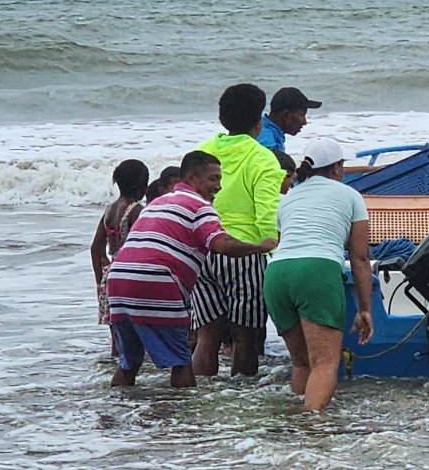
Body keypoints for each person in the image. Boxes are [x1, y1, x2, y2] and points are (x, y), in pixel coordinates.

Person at [106, 151, 276, 387]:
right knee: (181, 362)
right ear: (193, 178)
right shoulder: (199, 206)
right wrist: (260, 246)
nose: (219, 186)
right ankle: (184, 419)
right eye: (213, 179)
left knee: (128, 363)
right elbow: (221, 244)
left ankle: (117, 414)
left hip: (118, 280)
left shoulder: (156, 202)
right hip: (156, 280)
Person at [264, 138, 373, 410]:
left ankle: (296, 428)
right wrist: (365, 309)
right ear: (336, 168)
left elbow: (284, 241)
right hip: (317, 271)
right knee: (325, 363)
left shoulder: (288, 200)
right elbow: (360, 258)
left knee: (302, 363)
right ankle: (312, 433)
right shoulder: (350, 196)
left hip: (277, 274)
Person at [191, 83, 286, 377]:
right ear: (259, 123)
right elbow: (268, 213)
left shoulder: (202, 151)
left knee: (208, 335)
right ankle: (240, 397)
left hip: (202, 250)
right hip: (245, 254)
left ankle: (201, 395)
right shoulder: (262, 158)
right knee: (245, 337)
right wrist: (275, 248)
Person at [90, 159, 148, 340]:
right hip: (132, 274)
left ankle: (116, 364)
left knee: (117, 335)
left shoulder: (109, 211)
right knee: (138, 334)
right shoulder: (137, 210)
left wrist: (100, 282)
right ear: (141, 185)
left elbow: (95, 248)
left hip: (111, 275)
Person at [256, 86, 322, 152]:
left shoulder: (264, 129)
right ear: (287, 116)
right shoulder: (266, 141)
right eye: (302, 115)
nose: (305, 122)